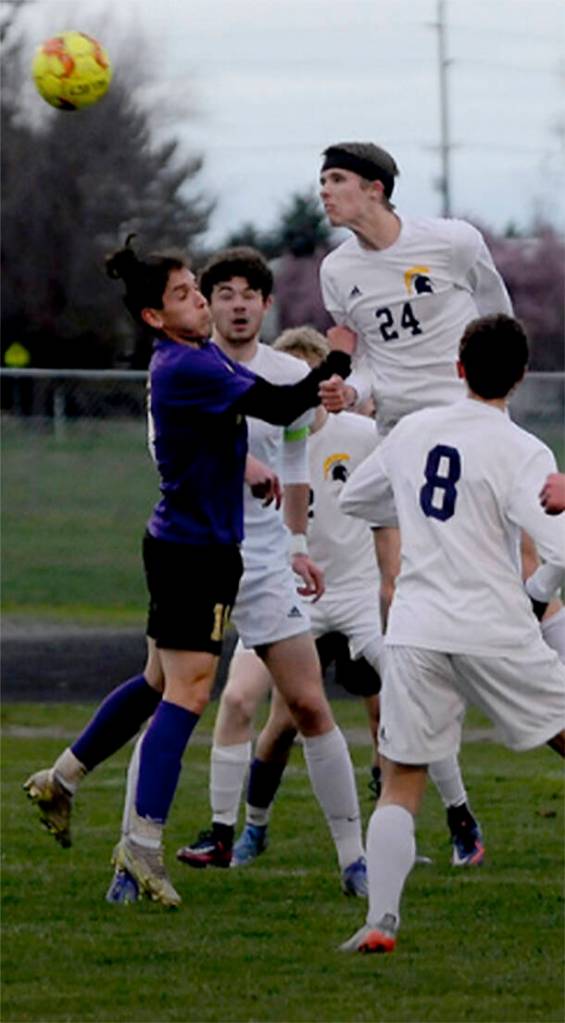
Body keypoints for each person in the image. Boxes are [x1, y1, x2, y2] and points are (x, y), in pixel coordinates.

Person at [23, 238, 355, 908]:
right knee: (190, 692)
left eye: (197, 290)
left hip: (203, 546)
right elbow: (281, 405)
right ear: (153, 316)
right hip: (193, 553)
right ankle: (139, 846)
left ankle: (62, 777)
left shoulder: (196, 352)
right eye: (187, 295)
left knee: (159, 684)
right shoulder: (183, 365)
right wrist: (340, 353)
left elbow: (257, 416)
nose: (203, 302)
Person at [336, 313, 565, 954]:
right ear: (519, 378)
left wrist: (412, 506)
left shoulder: (413, 430)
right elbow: (559, 546)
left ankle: (381, 920)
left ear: (457, 369)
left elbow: (357, 499)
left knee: (402, 777)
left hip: (415, 629)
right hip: (493, 626)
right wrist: (537, 594)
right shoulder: (522, 449)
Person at [228, 327, 483, 870]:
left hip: (358, 594)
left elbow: (389, 510)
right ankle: (249, 828)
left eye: (310, 376)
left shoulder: (363, 435)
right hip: (291, 593)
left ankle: (458, 819)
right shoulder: (264, 435)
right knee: (271, 716)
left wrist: (392, 581)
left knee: (408, 701)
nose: (300, 387)